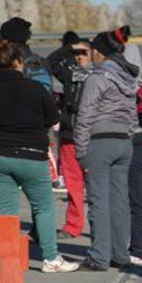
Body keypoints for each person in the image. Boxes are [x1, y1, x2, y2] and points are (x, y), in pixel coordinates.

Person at [0, 41, 78, 273]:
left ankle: (1, 259)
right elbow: (51, 119)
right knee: (43, 207)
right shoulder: (35, 89)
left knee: (6, 209)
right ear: (19, 62)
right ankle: (50, 258)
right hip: (31, 154)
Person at [74, 31, 139, 271]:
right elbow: (132, 115)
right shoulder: (128, 78)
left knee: (98, 200)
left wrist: (81, 151)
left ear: (98, 51)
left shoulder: (97, 78)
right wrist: (128, 135)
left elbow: (85, 115)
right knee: (119, 200)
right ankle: (120, 255)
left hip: (100, 141)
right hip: (123, 141)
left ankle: (99, 256)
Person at [47, 34, 94, 239]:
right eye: (76, 53)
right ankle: (72, 226)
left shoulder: (99, 76)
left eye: (84, 53)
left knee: (95, 186)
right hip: (68, 136)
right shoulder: (69, 74)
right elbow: (50, 62)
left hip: (92, 138)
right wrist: (68, 48)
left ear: (93, 53)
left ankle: (99, 226)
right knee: (73, 184)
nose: (79, 57)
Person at [124, 45, 142, 266]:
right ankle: (129, 248)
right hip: (135, 145)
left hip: (134, 145)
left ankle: (140, 250)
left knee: (136, 200)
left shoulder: (138, 88)